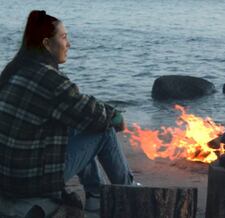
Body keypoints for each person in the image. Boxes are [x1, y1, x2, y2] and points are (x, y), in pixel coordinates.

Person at [0, 10, 136, 213]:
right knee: (104, 130)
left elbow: (79, 107)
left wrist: (105, 112)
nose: (69, 44)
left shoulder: (17, 69)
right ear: (46, 44)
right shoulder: (48, 79)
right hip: (28, 181)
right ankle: (129, 192)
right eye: (64, 37)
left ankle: (95, 193)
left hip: (8, 176)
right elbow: (94, 115)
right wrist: (115, 116)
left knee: (74, 122)